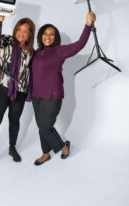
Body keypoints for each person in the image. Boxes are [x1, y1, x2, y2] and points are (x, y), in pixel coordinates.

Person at [31, 11, 96, 165]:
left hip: (52, 96)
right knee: (41, 127)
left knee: (45, 127)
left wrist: (88, 24)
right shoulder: (36, 52)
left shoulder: (59, 51)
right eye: (45, 33)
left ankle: (63, 147)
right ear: (40, 36)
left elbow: (80, 44)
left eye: (52, 34)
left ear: (55, 37)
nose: (48, 36)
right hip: (36, 95)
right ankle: (45, 153)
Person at [0, 15, 35, 173]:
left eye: (25, 31)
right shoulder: (7, 41)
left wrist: (57, 68)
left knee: (14, 120)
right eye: (19, 29)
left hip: (20, 91)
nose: (21, 33)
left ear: (30, 34)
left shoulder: (31, 51)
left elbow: (38, 68)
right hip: (1, 87)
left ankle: (12, 147)